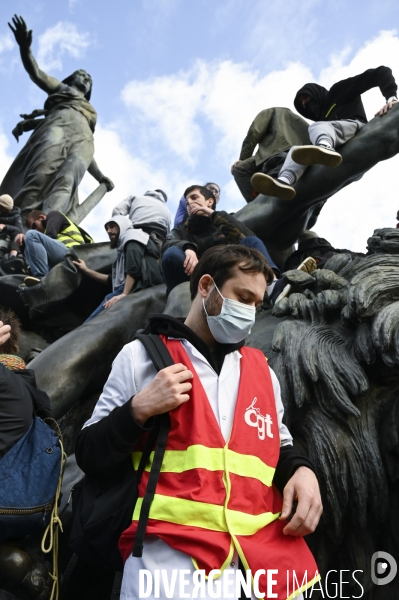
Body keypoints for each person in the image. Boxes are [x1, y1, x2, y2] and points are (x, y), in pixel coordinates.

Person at [75, 244, 322, 600]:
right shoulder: (141, 357)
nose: (251, 313)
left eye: (257, 304)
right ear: (206, 286)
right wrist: (137, 410)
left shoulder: (263, 371)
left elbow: (277, 442)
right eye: (242, 297)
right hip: (171, 568)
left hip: (270, 566)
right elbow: (87, 452)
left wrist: (302, 470)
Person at [1, 15, 114, 222]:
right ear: (71, 78)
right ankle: (17, 223)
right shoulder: (64, 90)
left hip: (83, 141)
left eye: (90, 79)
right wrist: (25, 48)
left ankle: (47, 228)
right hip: (56, 129)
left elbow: (87, 156)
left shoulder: (90, 111)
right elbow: (36, 73)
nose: (87, 79)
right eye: (83, 74)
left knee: (68, 181)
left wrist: (99, 176)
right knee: (40, 174)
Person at [252, 66, 398, 200]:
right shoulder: (323, 121)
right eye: (302, 104)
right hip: (336, 141)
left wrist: (391, 97)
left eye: (306, 98)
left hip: (355, 127)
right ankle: (284, 181)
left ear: (314, 93)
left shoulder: (338, 91)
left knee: (316, 127)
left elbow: (379, 72)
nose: (305, 104)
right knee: (296, 150)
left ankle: (325, 148)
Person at [162, 185, 280, 293]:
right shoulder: (181, 229)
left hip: (225, 271)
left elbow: (245, 236)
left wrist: (213, 214)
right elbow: (168, 243)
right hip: (196, 275)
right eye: (187, 203)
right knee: (171, 253)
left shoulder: (222, 219)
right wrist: (187, 247)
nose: (190, 204)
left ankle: (273, 286)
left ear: (210, 201)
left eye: (194, 198)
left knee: (251, 242)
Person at [74, 215, 163, 321]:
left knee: (91, 322)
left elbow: (133, 267)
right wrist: (86, 270)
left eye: (112, 226)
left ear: (122, 225)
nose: (109, 231)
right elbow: (111, 280)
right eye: (107, 228)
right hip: (128, 287)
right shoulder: (121, 253)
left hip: (140, 284)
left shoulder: (132, 235)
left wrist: (124, 293)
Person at [231, 108, 310, 203]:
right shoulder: (297, 118)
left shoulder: (271, 112)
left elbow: (254, 132)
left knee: (240, 169)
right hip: (300, 155)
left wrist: (243, 158)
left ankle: (258, 205)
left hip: (276, 151)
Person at [22, 209, 93, 286]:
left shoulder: (53, 215)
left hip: (72, 254)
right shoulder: (43, 235)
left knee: (31, 235)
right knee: (27, 248)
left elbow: (51, 235)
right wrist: (22, 245)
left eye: (34, 226)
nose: (35, 229)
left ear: (41, 217)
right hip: (61, 257)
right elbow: (34, 256)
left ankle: (41, 280)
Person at [0, 194, 25, 272]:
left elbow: (20, 229)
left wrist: (5, 226)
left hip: (9, 236)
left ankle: (12, 258)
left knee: (18, 234)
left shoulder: (16, 216)